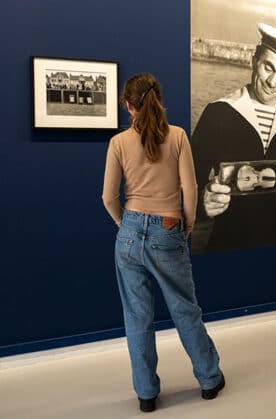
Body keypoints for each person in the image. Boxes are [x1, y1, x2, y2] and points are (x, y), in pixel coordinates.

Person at [102, 73, 225, 413]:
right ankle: (209, 379)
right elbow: (191, 187)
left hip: (129, 232)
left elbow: (108, 197)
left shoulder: (119, 142)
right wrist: (189, 223)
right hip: (168, 228)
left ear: (128, 106)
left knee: (137, 317)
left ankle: (146, 395)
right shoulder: (178, 136)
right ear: (158, 98)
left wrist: (122, 223)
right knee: (185, 310)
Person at [192, 23, 276, 253]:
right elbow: (185, 184)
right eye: (268, 67)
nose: (272, 82)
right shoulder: (218, 113)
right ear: (254, 60)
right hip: (227, 247)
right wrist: (201, 204)